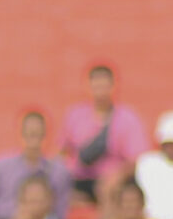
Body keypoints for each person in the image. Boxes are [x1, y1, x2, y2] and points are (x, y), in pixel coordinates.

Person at [62, 65, 148, 201]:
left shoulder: (128, 118)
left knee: (110, 192)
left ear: (113, 86)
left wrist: (116, 177)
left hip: (114, 182)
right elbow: (63, 150)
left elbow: (136, 159)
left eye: (104, 86)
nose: (100, 91)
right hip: (80, 179)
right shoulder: (75, 115)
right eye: (96, 86)